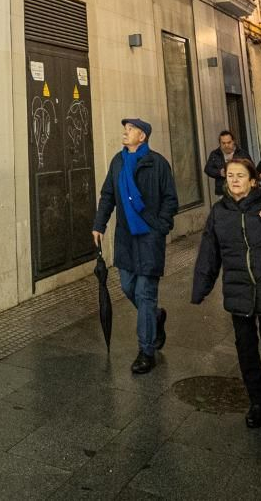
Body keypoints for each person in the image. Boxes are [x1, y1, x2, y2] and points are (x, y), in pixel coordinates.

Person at [192, 156, 261, 427]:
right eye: (230, 175)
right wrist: (201, 288)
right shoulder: (219, 213)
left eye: (240, 175)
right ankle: (258, 404)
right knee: (246, 349)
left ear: (253, 181)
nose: (233, 180)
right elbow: (209, 253)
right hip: (238, 289)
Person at [92, 117, 179, 375]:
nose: (125, 132)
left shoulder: (158, 163)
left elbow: (170, 199)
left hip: (150, 236)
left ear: (143, 137)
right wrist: (99, 224)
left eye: (130, 130)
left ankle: (146, 351)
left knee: (144, 293)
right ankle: (156, 316)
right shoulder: (118, 162)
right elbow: (108, 195)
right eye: (125, 129)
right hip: (126, 237)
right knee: (128, 286)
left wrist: (160, 226)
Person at [203, 129, 247, 197]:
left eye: (229, 142)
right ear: (220, 143)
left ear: (233, 141)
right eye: (223, 143)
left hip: (240, 189)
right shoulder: (215, 154)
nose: (226, 145)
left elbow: (250, 168)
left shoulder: (242, 153)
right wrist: (219, 172)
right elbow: (207, 169)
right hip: (223, 191)